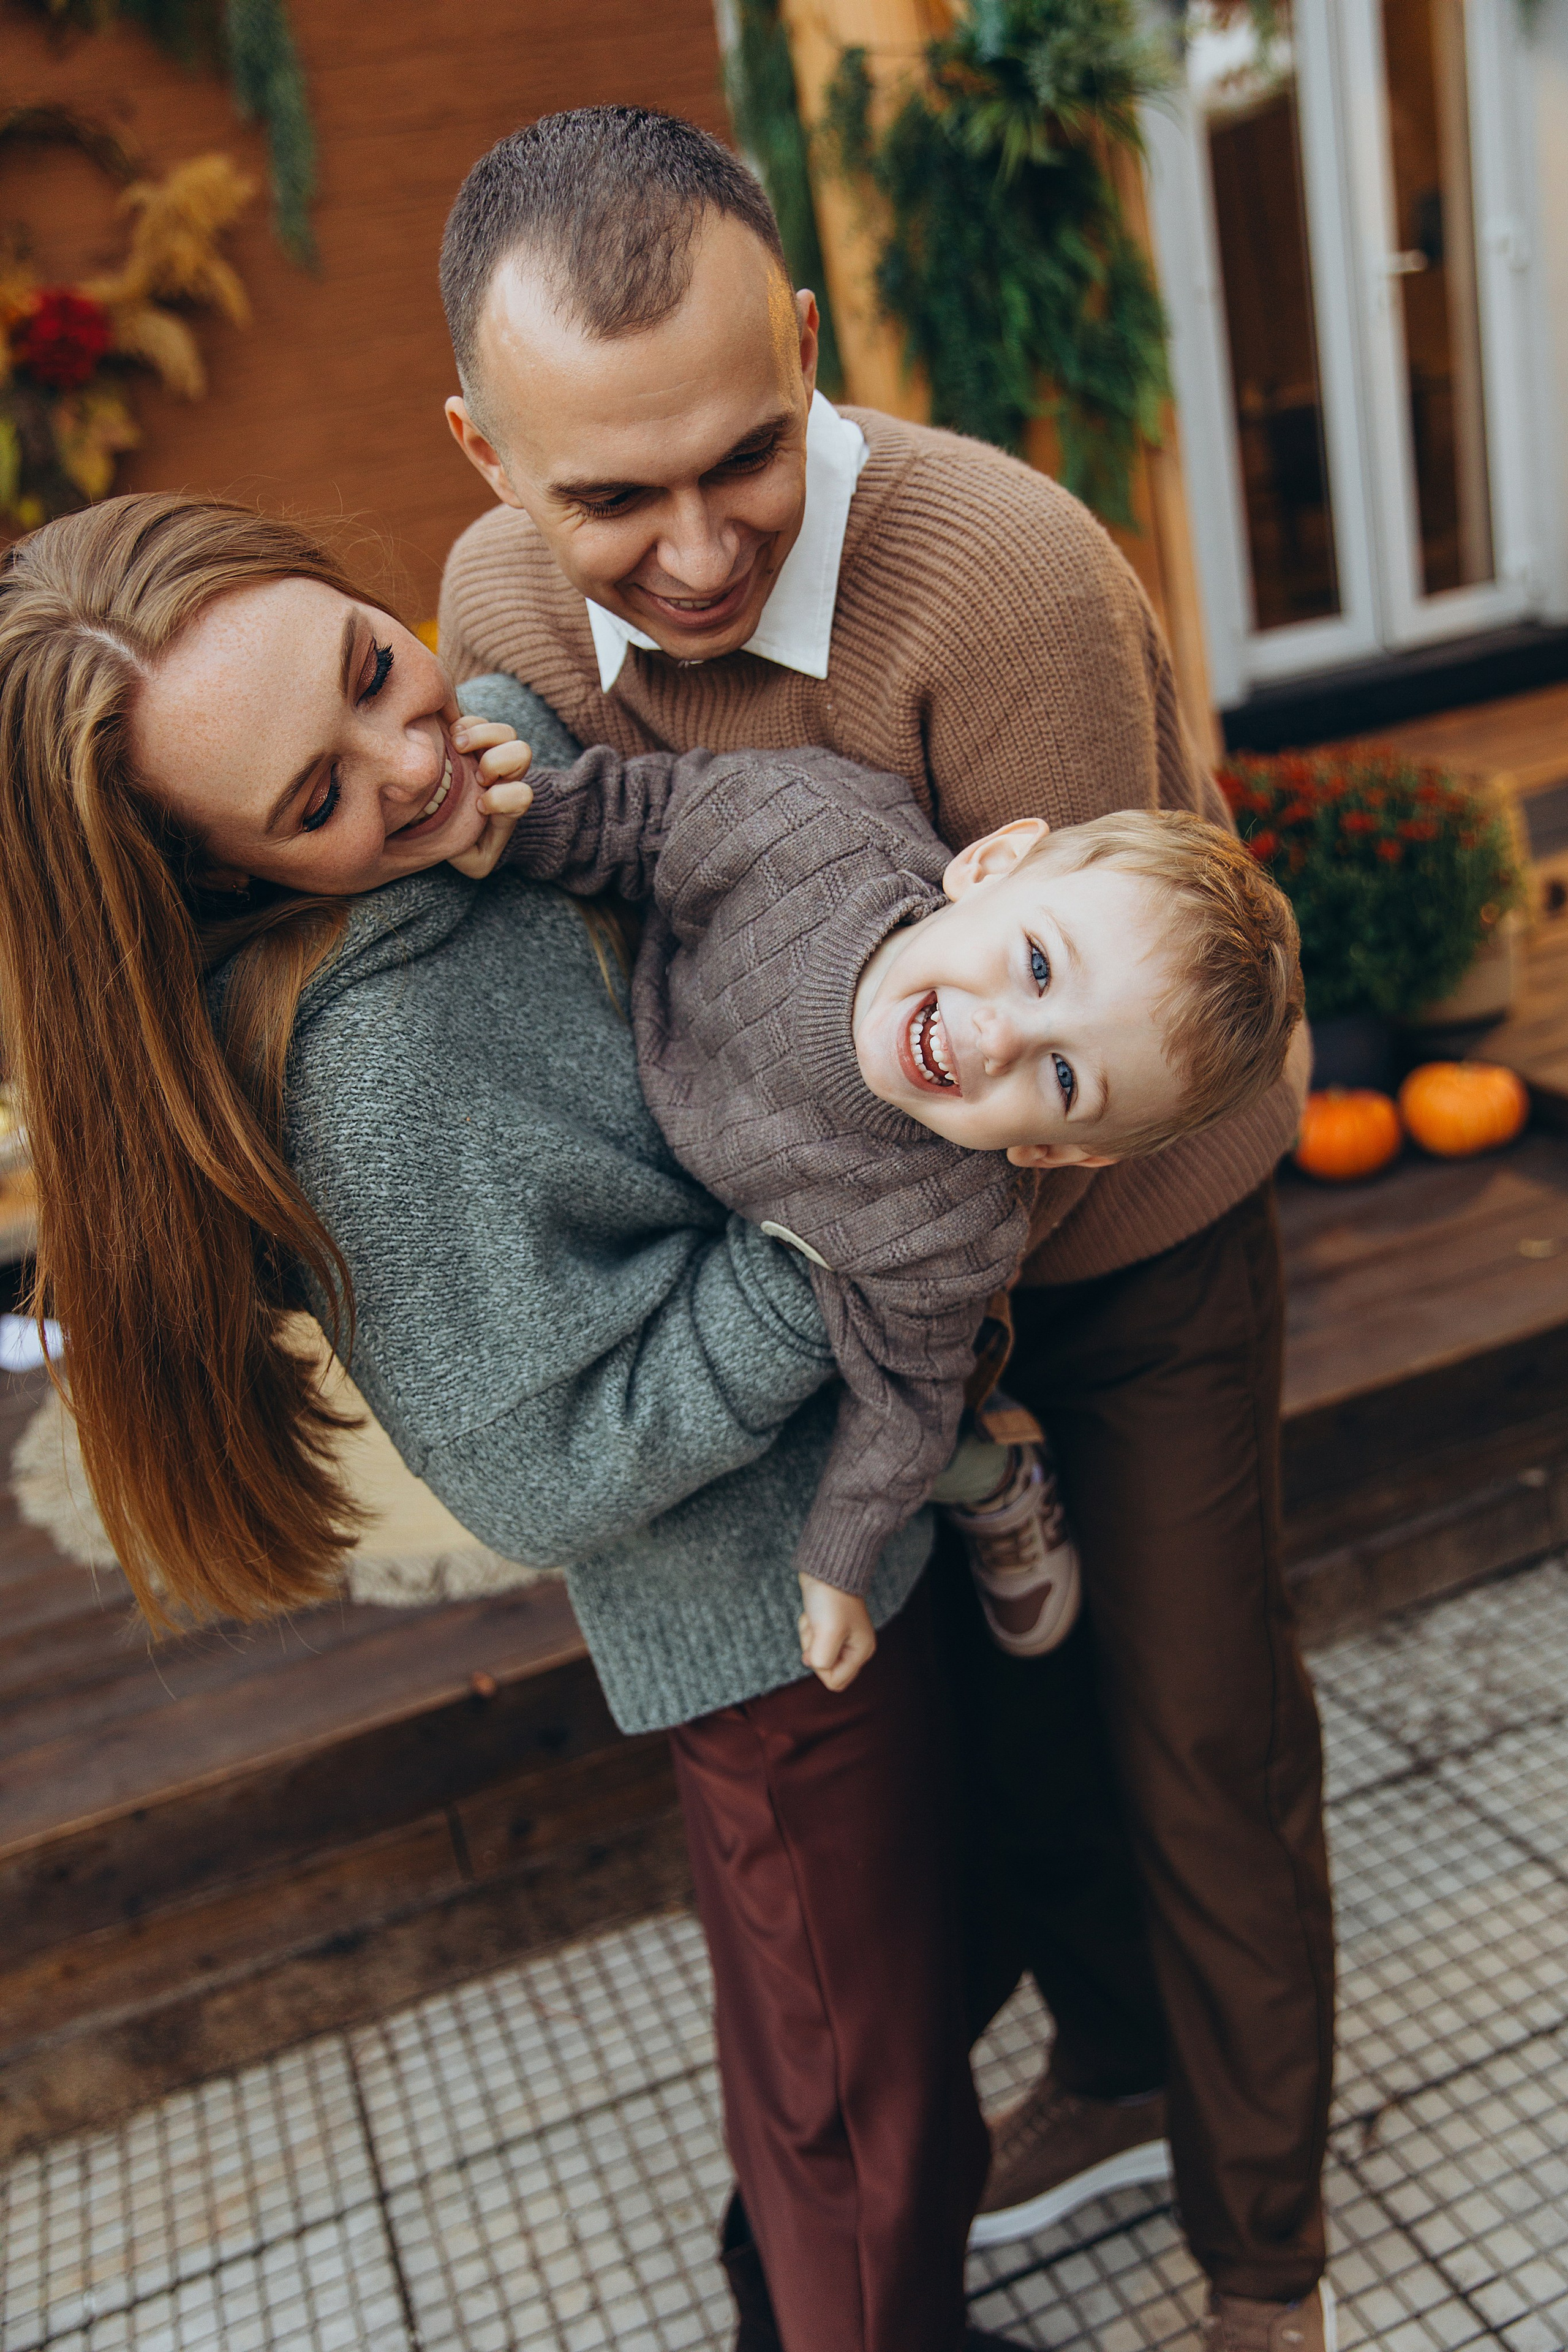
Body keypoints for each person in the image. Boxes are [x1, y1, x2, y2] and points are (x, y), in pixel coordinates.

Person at [435, 105, 1337, 2352]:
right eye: (605, 499)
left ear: (809, 337)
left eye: (744, 457)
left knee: (1194, 1734)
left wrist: (866, 1334)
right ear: (480, 450)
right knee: (998, 1726)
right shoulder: (490, 616)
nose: (692, 550)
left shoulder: (1001, 575)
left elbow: (1092, 1051)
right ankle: (1115, 2066)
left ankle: (1270, 2261)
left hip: (1116, 1225)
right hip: (848, 1271)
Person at [0, 494, 1030, 2352]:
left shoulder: (505, 760)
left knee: (863, 2026)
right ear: (223, 880)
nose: (413, 753)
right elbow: (537, 1468)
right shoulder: (376, 1069)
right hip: (753, 1629)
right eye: (316, 800)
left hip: (876, 1512)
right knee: (864, 2097)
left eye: (372, 667)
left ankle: (794, 2291)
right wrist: (826, 1242)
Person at [465, 735, 1303, 1687]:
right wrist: (519, 813)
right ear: (988, 868)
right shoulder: (807, 836)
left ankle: (995, 1478)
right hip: (674, 1065)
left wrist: (837, 1564)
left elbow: (905, 1405)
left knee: (888, 1392)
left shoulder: (952, 1234)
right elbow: (643, 816)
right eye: (1036, 963)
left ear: (1057, 1151)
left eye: (1064, 1075)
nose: (997, 1038)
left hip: (800, 1247)